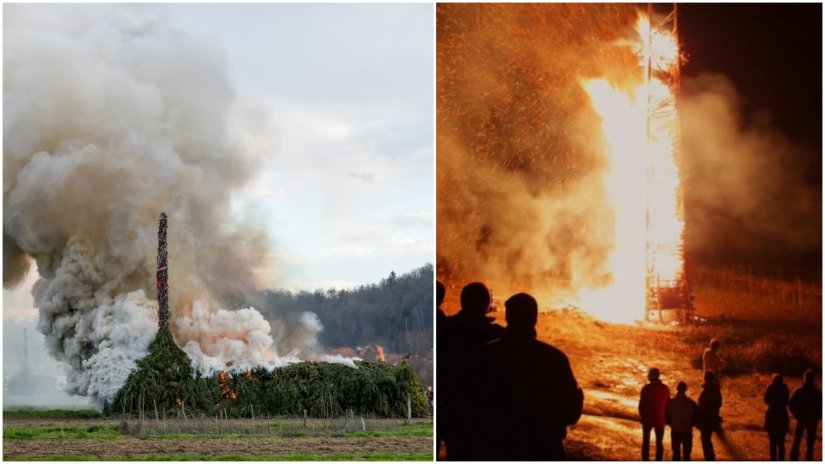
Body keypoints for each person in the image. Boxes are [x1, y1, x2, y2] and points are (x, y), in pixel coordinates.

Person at [475, 292, 583, 460]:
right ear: (534, 319)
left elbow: (470, 405)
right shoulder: (554, 359)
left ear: (508, 317)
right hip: (544, 450)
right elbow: (571, 411)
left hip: (496, 449)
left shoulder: (487, 355)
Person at [439, 282, 505, 460]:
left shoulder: (445, 329)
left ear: (462, 302)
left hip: (451, 409)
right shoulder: (497, 336)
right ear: (486, 305)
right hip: (483, 413)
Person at [789, 370, 822, 461]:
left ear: (804, 378)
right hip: (812, 420)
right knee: (810, 443)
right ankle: (809, 459)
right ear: (813, 379)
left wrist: (797, 415)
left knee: (797, 440)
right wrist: (818, 417)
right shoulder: (817, 393)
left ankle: (794, 458)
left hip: (801, 419)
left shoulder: (799, 391)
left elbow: (791, 404)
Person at [639, 368, 671, 461]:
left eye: (649, 375)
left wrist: (642, 416)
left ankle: (645, 460)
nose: (648, 377)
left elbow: (641, 405)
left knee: (645, 442)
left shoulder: (646, 388)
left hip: (647, 419)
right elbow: (668, 405)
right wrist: (667, 419)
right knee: (659, 443)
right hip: (660, 419)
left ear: (652, 376)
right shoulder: (665, 388)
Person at [667, 381, 698, 461]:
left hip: (675, 431)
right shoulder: (691, 403)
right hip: (687, 431)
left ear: (677, 389)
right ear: (685, 390)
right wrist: (691, 425)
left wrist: (672, 424)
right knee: (687, 455)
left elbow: (667, 417)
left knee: (676, 454)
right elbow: (696, 417)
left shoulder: (671, 403)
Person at [696, 371, 722, 461]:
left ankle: (709, 458)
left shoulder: (706, 391)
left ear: (706, 378)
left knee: (705, 440)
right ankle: (711, 457)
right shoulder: (716, 390)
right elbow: (719, 403)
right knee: (708, 439)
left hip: (705, 419)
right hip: (713, 418)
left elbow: (701, 406)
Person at [764, 374, 790, 461]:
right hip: (782, 416)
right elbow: (787, 400)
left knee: (772, 443)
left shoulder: (770, 388)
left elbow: (765, 400)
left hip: (772, 415)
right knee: (781, 442)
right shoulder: (784, 389)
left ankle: (773, 460)